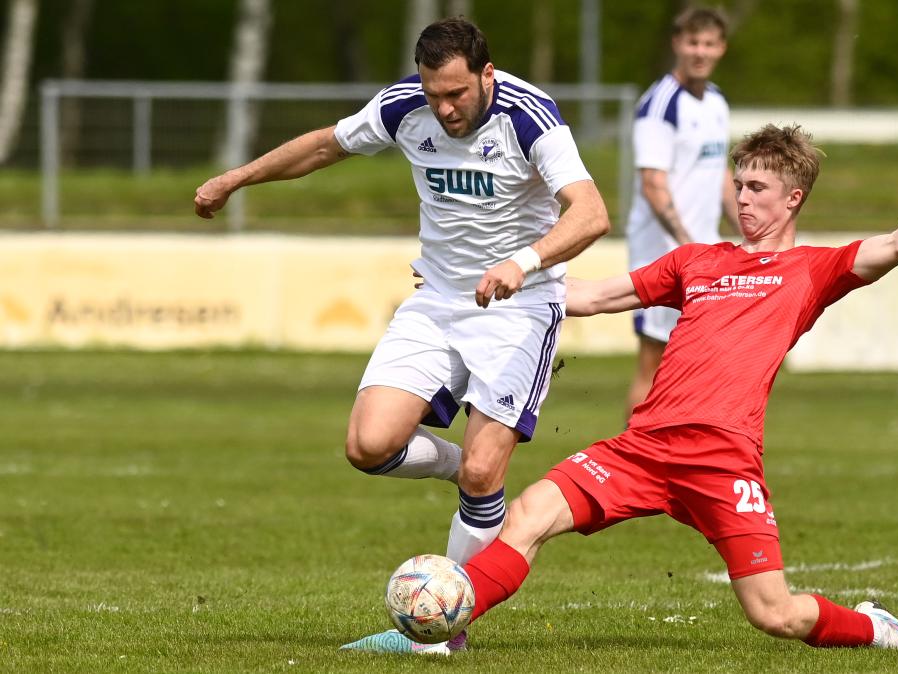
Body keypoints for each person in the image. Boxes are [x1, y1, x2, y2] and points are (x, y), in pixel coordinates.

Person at [443, 101, 898, 652]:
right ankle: (441, 627)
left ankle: (875, 627)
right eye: (739, 185)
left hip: (722, 458)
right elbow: (591, 295)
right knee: (528, 516)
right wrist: (485, 278)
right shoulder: (697, 260)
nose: (742, 197)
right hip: (642, 448)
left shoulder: (813, 270)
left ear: (793, 197)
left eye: (756, 187)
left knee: (774, 614)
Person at [194, 17, 609, 653]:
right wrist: (234, 180)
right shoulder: (404, 108)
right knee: (368, 445)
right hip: (438, 300)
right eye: (433, 93)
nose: (443, 109)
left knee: (482, 469)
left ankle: (446, 634)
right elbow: (325, 146)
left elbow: (591, 212)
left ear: (485, 76)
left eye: (456, 95)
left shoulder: (531, 118)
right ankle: (468, 473)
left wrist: (521, 263)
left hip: (522, 307)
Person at [624, 6, 739, 419]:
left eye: (708, 43)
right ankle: (630, 469)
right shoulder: (660, 105)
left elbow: (720, 172)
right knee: (654, 363)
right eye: (692, 42)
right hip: (662, 255)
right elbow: (653, 185)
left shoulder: (717, 102)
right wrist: (690, 247)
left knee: (699, 366)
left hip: (703, 255)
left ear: (721, 48)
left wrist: (748, 230)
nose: (700, 51)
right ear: (677, 44)